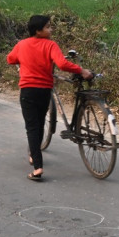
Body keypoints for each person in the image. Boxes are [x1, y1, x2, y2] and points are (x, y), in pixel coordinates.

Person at [7, 15, 93, 181]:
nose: (51, 29)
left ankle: (37, 167)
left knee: (32, 127)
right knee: (39, 124)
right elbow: (62, 64)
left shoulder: (22, 44)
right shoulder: (50, 45)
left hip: (27, 91)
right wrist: (80, 70)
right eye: (48, 27)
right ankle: (35, 154)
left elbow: (10, 59)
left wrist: (23, 61)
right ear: (38, 30)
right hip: (44, 91)